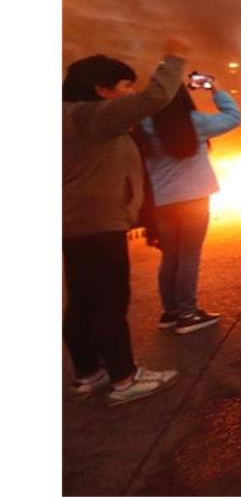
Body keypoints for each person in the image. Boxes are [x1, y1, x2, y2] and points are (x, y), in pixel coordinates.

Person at [63, 42, 187, 405]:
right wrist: (173, 59)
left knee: (84, 302)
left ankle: (89, 372)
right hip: (97, 224)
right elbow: (154, 97)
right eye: (124, 86)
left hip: (75, 222)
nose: (129, 94)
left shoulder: (68, 116)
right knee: (109, 301)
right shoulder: (92, 116)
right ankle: (124, 377)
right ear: (102, 90)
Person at [139, 82, 241, 334]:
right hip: (194, 199)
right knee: (189, 255)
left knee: (171, 255)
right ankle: (187, 313)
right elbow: (233, 118)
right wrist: (216, 89)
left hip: (163, 200)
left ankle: (170, 312)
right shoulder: (194, 122)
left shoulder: (143, 124)